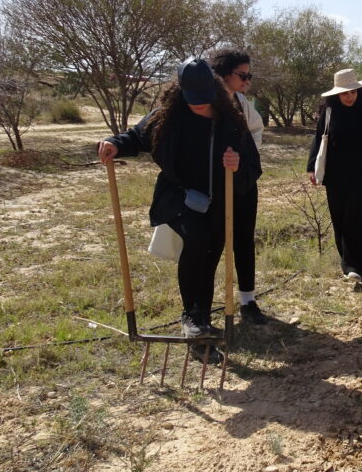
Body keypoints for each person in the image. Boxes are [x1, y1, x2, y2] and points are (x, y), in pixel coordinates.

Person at [97, 58, 262, 342]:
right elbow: (136, 137)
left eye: (204, 98)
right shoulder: (166, 117)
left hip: (218, 200)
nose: (198, 104)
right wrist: (115, 143)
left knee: (210, 253)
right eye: (192, 97)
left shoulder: (231, 121)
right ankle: (192, 315)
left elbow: (253, 165)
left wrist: (237, 165)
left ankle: (201, 318)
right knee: (196, 240)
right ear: (180, 90)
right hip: (179, 195)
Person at [306, 69, 362, 283]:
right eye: (345, 93)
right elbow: (319, 139)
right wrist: (311, 168)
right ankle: (346, 264)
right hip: (335, 176)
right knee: (339, 218)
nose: (350, 96)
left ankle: (356, 267)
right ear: (337, 94)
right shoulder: (329, 112)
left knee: (355, 218)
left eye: (353, 92)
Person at [210, 48, 268, 324]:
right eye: (242, 75)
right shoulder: (206, 102)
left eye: (249, 75)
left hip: (243, 182)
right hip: (214, 187)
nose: (247, 81)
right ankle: (200, 308)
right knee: (211, 244)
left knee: (244, 240)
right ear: (224, 74)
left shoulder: (243, 103)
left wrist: (244, 158)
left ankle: (248, 299)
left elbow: (256, 131)